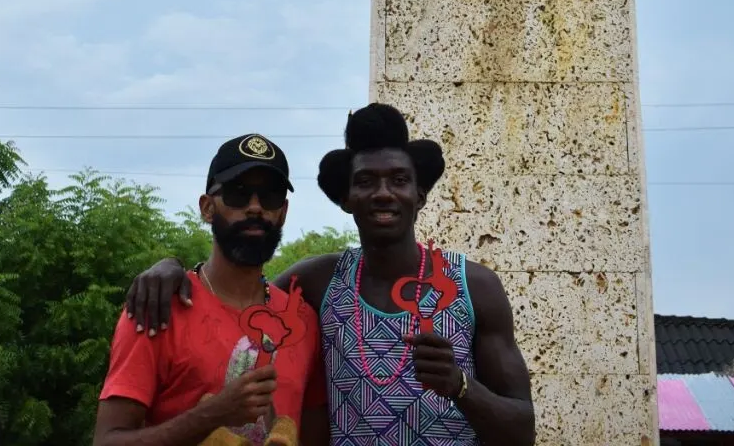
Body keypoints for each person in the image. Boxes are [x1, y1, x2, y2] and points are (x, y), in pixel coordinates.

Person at [125, 106, 535, 446]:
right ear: (345, 200)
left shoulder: (473, 287)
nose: (383, 193)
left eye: (398, 179)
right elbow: (241, 294)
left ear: (420, 194)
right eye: (365, 182)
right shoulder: (319, 283)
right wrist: (172, 267)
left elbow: (522, 430)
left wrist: (461, 385)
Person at [95, 133, 327, 446]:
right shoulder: (159, 307)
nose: (255, 208)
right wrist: (212, 415)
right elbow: (107, 440)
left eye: (269, 196)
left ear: (282, 212)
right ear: (207, 208)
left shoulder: (302, 321)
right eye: (238, 194)